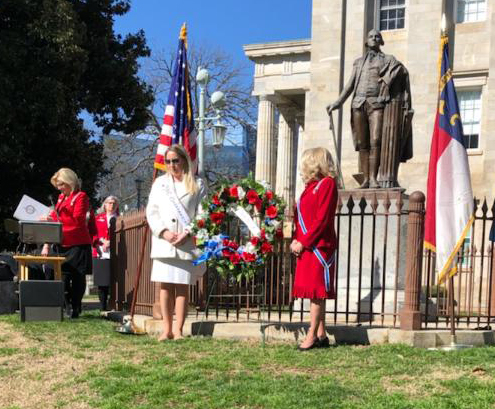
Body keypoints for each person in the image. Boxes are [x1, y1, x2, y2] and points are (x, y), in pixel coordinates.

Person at [327, 29, 412, 188]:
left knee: (376, 140)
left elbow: (401, 69)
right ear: (366, 42)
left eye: (377, 36)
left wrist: (388, 79)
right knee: (362, 142)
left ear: (381, 41)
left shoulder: (388, 59)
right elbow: (350, 85)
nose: (374, 38)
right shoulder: (358, 62)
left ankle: (373, 178)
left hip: (376, 104)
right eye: (371, 36)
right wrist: (337, 103)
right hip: (358, 104)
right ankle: (366, 179)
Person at [146, 145, 207, 341]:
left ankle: (179, 330)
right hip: (164, 242)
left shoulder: (198, 183)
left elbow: (203, 213)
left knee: (182, 286)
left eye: (175, 160)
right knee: (165, 287)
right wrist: (163, 232)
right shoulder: (159, 183)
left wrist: (188, 233)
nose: (172, 165)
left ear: (184, 160)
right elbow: (151, 211)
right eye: (168, 161)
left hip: (185, 243)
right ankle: (166, 329)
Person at [291, 147, 338, 350]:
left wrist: (304, 241)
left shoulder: (327, 184)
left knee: (318, 291)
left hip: (320, 246)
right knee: (313, 291)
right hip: (307, 245)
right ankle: (321, 334)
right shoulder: (309, 188)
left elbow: (322, 219)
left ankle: (311, 334)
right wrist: (296, 239)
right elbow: (301, 219)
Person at [41, 168, 92, 318]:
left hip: (77, 244)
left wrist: (56, 221)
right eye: (57, 185)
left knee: (77, 277)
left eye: (61, 184)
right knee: (58, 275)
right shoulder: (61, 198)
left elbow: (78, 221)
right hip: (61, 243)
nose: (59, 188)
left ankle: (75, 307)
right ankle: (65, 306)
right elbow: (54, 215)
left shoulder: (81, 197)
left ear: (70, 181)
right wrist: (47, 224)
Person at [90, 196, 119, 311]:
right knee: (102, 282)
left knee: (114, 280)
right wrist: (102, 242)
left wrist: (111, 242)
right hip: (100, 252)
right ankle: (103, 307)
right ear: (105, 205)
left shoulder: (120, 218)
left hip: (116, 253)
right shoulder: (98, 218)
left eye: (114, 203)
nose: (111, 205)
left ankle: (114, 304)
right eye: (109, 203)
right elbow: (93, 233)